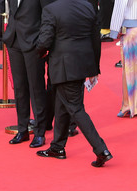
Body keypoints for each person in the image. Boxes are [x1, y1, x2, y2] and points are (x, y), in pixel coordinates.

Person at [34, 0, 113, 167]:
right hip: (83, 63)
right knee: (62, 104)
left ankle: (101, 149)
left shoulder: (51, 9)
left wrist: (40, 53)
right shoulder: (87, 7)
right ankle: (57, 147)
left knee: (76, 108)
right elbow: (95, 39)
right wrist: (94, 67)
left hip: (64, 66)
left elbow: (44, 41)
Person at [4, 0, 49, 147]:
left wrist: (42, 42)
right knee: (19, 88)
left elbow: (47, 15)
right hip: (14, 40)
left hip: (34, 43)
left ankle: (39, 132)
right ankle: (22, 129)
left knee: (36, 88)